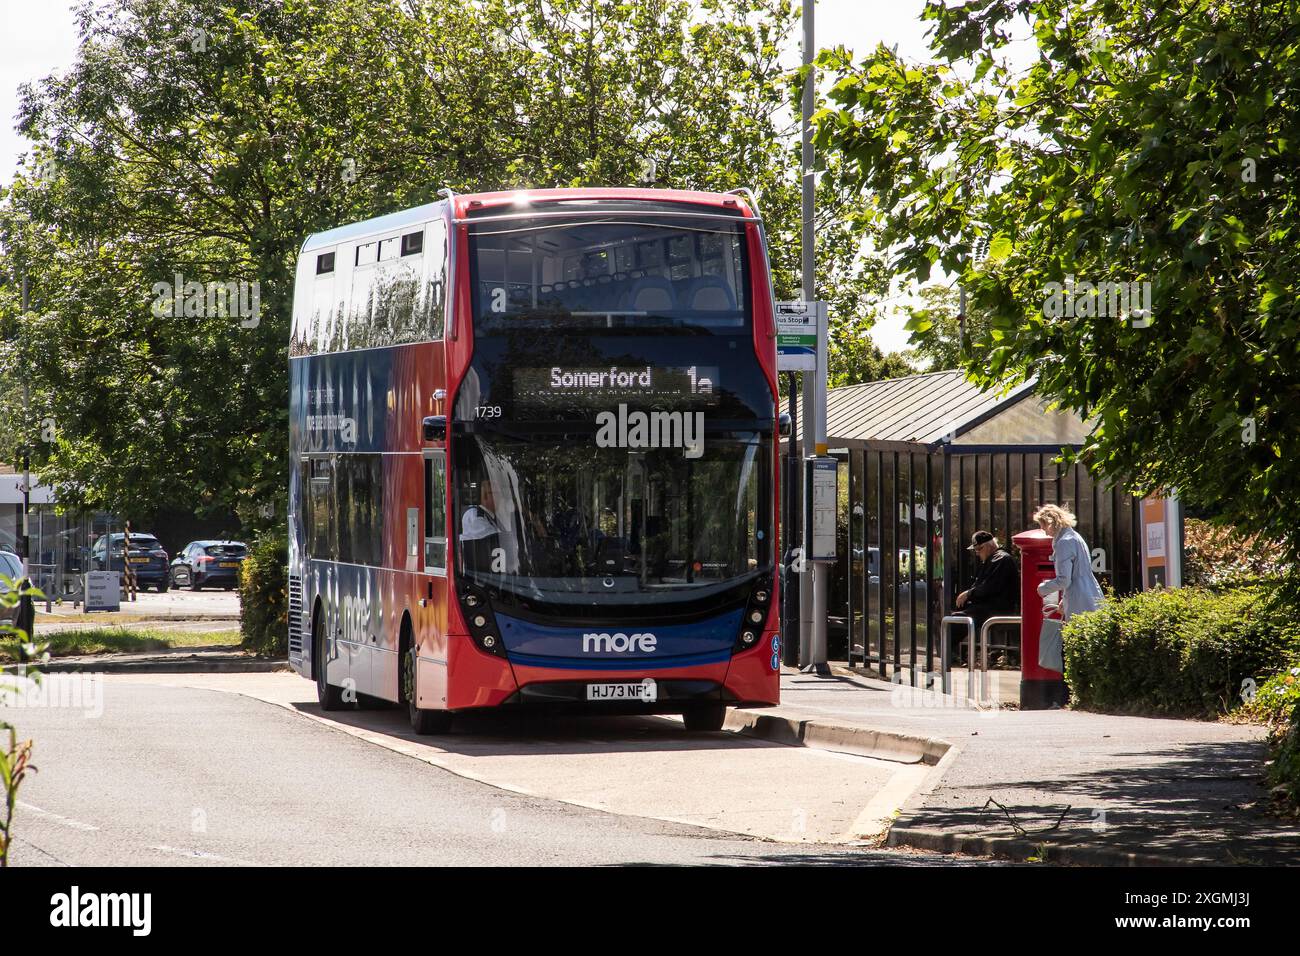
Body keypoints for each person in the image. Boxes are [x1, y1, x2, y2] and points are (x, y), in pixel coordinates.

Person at [954, 530, 1019, 662]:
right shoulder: (991, 560)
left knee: (956, 621)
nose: (977, 553)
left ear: (989, 545)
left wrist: (969, 594)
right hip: (987, 607)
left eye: (979, 549)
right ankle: (954, 653)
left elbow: (989, 587)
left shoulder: (1001, 559)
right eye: (975, 550)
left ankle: (950, 656)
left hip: (996, 608)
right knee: (955, 618)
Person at [1032, 503, 1104, 621]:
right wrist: (1064, 600)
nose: (1045, 533)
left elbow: (1064, 580)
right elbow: (1075, 574)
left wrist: (1042, 588)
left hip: (1079, 601)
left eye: (1044, 527)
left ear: (1050, 523)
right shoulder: (1075, 537)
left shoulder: (1063, 543)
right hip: (1090, 593)